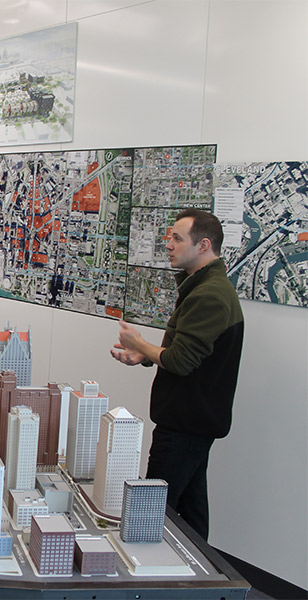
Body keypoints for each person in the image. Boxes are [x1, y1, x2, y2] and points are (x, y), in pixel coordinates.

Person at [110, 208, 244, 540]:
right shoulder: (206, 287)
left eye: (177, 238)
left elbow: (182, 361)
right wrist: (144, 354)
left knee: (152, 509)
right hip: (195, 421)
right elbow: (188, 353)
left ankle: (148, 583)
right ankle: (203, 583)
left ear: (203, 245)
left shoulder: (209, 294)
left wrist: (139, 342)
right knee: (192, 510)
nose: (168, 245)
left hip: (186, 423)